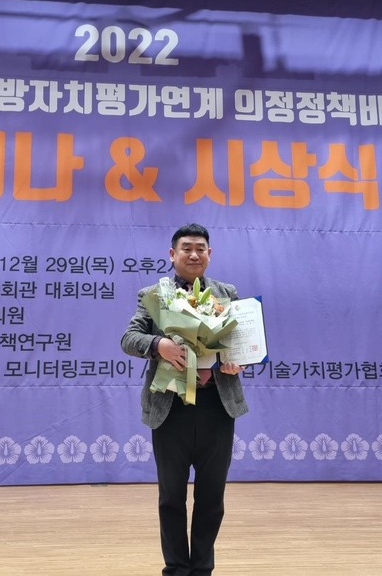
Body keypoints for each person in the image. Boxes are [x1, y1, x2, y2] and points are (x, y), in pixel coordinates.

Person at [121, 223, 249, 576]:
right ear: (172, 254)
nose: (194, 254)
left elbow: (240, 342)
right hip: (171, 408)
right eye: (187, 248)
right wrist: (158, 344)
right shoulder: (154, 295)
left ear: (210, 254)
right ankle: (176, 569)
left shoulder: (227, 293)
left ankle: (203, 569)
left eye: (200, 248)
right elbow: (129, 338)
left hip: (216, 407)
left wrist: (238, 360)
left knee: (212, 497)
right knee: (171, 497)